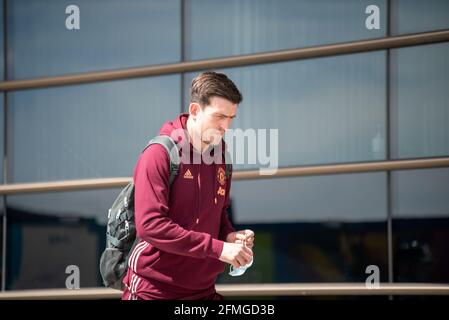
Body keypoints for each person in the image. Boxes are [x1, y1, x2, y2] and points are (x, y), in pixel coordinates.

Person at [122, 71, 255, 300]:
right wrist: (219, 249)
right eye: (219, 117)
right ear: (194, 110)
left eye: (231, 118)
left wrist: (229, 237)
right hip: (153, 291)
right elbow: (150, 225)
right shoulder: (159, 155)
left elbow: (218, 214)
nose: (226, 127)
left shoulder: (221, 158)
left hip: (203, 291)